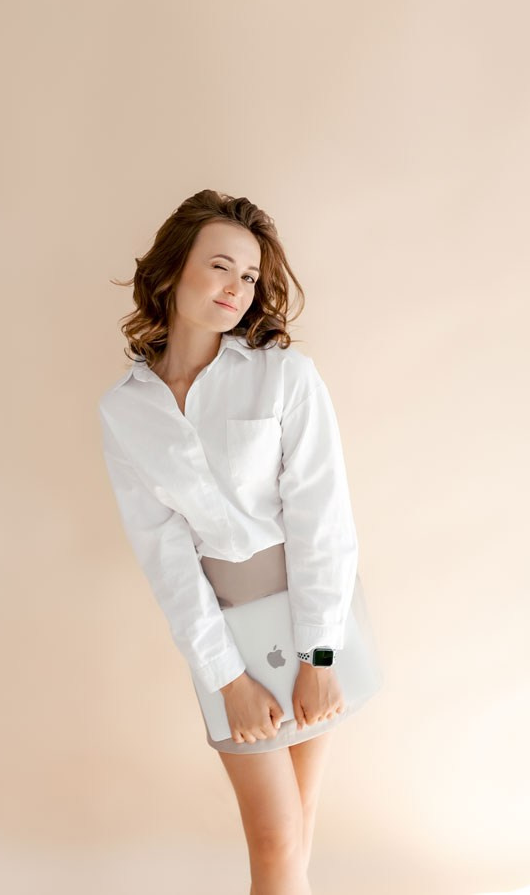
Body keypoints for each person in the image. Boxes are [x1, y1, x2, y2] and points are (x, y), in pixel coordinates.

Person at [98, 188, 379, 895]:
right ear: (172, 270)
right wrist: (228, 679)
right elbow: (164, 554)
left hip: (315, 614)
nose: (236, 287)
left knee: (294, 834)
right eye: (220, 266)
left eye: (250, 276)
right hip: (221, 631)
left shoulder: (285, 376)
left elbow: (322, 519)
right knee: (276, 838)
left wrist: (318, 656)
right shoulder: (125, 411)